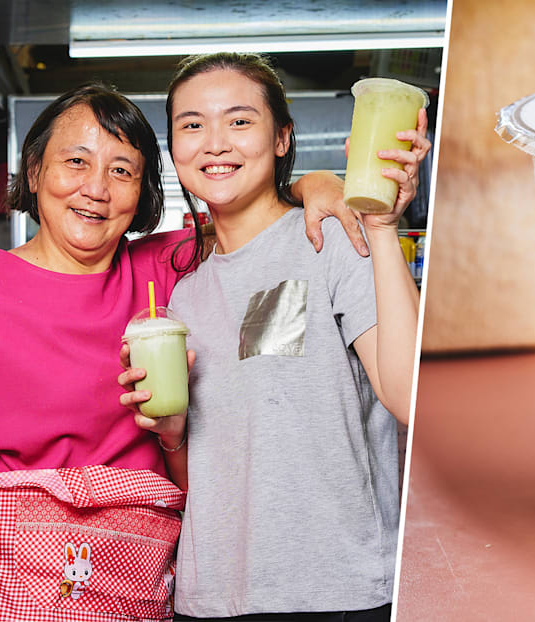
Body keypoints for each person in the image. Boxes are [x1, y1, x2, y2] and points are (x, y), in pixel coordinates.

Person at [0, 46, 355, 622]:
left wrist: (314, 184)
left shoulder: (169, 267)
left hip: (131, 574)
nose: (97, 188)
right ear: (35, 170)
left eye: (122, 171)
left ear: (141, 195)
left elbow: (253, 211)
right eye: (76, 162)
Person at [119, 52, 429, 620]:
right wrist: (170, 433)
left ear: (283, 138)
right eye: (192, 125)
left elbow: (410, 397)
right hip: (211, 595)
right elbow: (214, 468)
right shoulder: (184, 294)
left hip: (338, 589)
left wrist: (381, 225)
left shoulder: (328, 238)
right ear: (174, 150)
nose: (214, 143)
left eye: (239, 121)